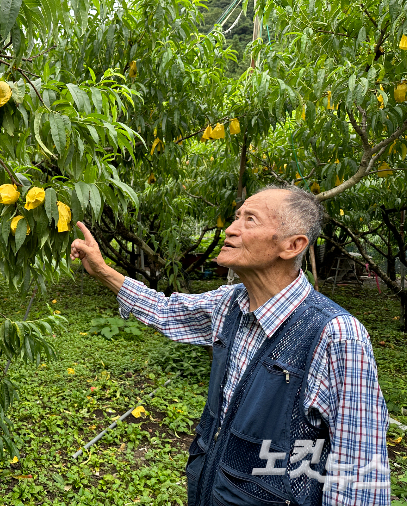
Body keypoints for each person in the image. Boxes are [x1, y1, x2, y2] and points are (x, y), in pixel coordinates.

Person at [70, 186, 390, 506]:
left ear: (293, 245)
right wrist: (102, 270)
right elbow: (164, 310)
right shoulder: (229, 304)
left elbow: (359, 475)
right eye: (236, 217)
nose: (230, 229)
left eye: (250, 220)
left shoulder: (336, 336)